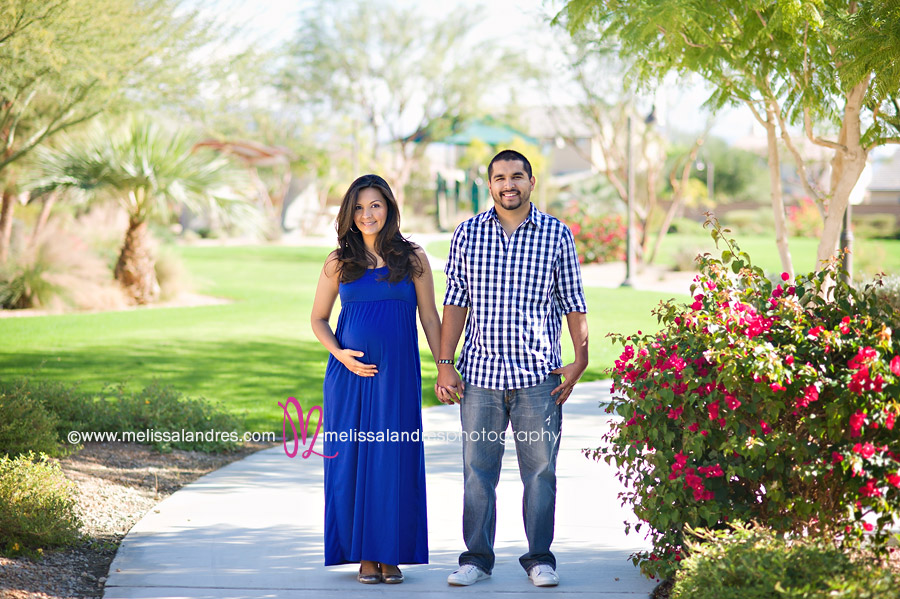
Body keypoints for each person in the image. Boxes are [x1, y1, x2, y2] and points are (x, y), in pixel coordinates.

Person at [435, 150, 588, 588]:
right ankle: (476, 560)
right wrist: (446, 364)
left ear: (531, 182)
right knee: (477, 473)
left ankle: (540, 558)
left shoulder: (557, 235)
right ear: (490, 185)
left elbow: (573, 303)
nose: (509, 185)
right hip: (480, 378)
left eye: (517, 176)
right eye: (500, 177)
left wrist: (581, 358)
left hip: (538, 380)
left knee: (540, 473)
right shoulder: (466, 234)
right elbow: (455, 302)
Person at [311, 174, 441, 584]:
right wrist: (340, 354)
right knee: (351, 463)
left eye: (376, 205)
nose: (368, 215)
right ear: (350, 214)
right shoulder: (338, 262)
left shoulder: (413, 257)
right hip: (349, 379)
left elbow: (430, 317)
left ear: (389, 208)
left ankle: (391, 552)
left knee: (394, 459)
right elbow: (318, 319)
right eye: (360, 207)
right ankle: (365, 555)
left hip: (398, 377)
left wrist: (444, 364)